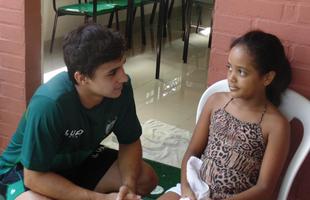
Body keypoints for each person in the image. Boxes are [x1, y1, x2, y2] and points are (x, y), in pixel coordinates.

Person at [0, 23, 158, 200]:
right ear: (82, 78)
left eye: (122, 65)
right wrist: (99, 199)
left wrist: (127, 187)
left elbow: (129, 142)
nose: (123, 77)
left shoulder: (120, 90)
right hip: (26, 170)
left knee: (146, 179)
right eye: (112, 72)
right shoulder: (49, 104)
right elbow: (34, 177)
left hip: (78, 161)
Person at [158, 30, 292, 200]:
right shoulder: (216, 102)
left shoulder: (276, 125)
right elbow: (192, 150)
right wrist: (186, 188)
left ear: (267, 78)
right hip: (196, 187)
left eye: (241, 72)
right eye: (229, 68)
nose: (231, 78)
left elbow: (265, 188)